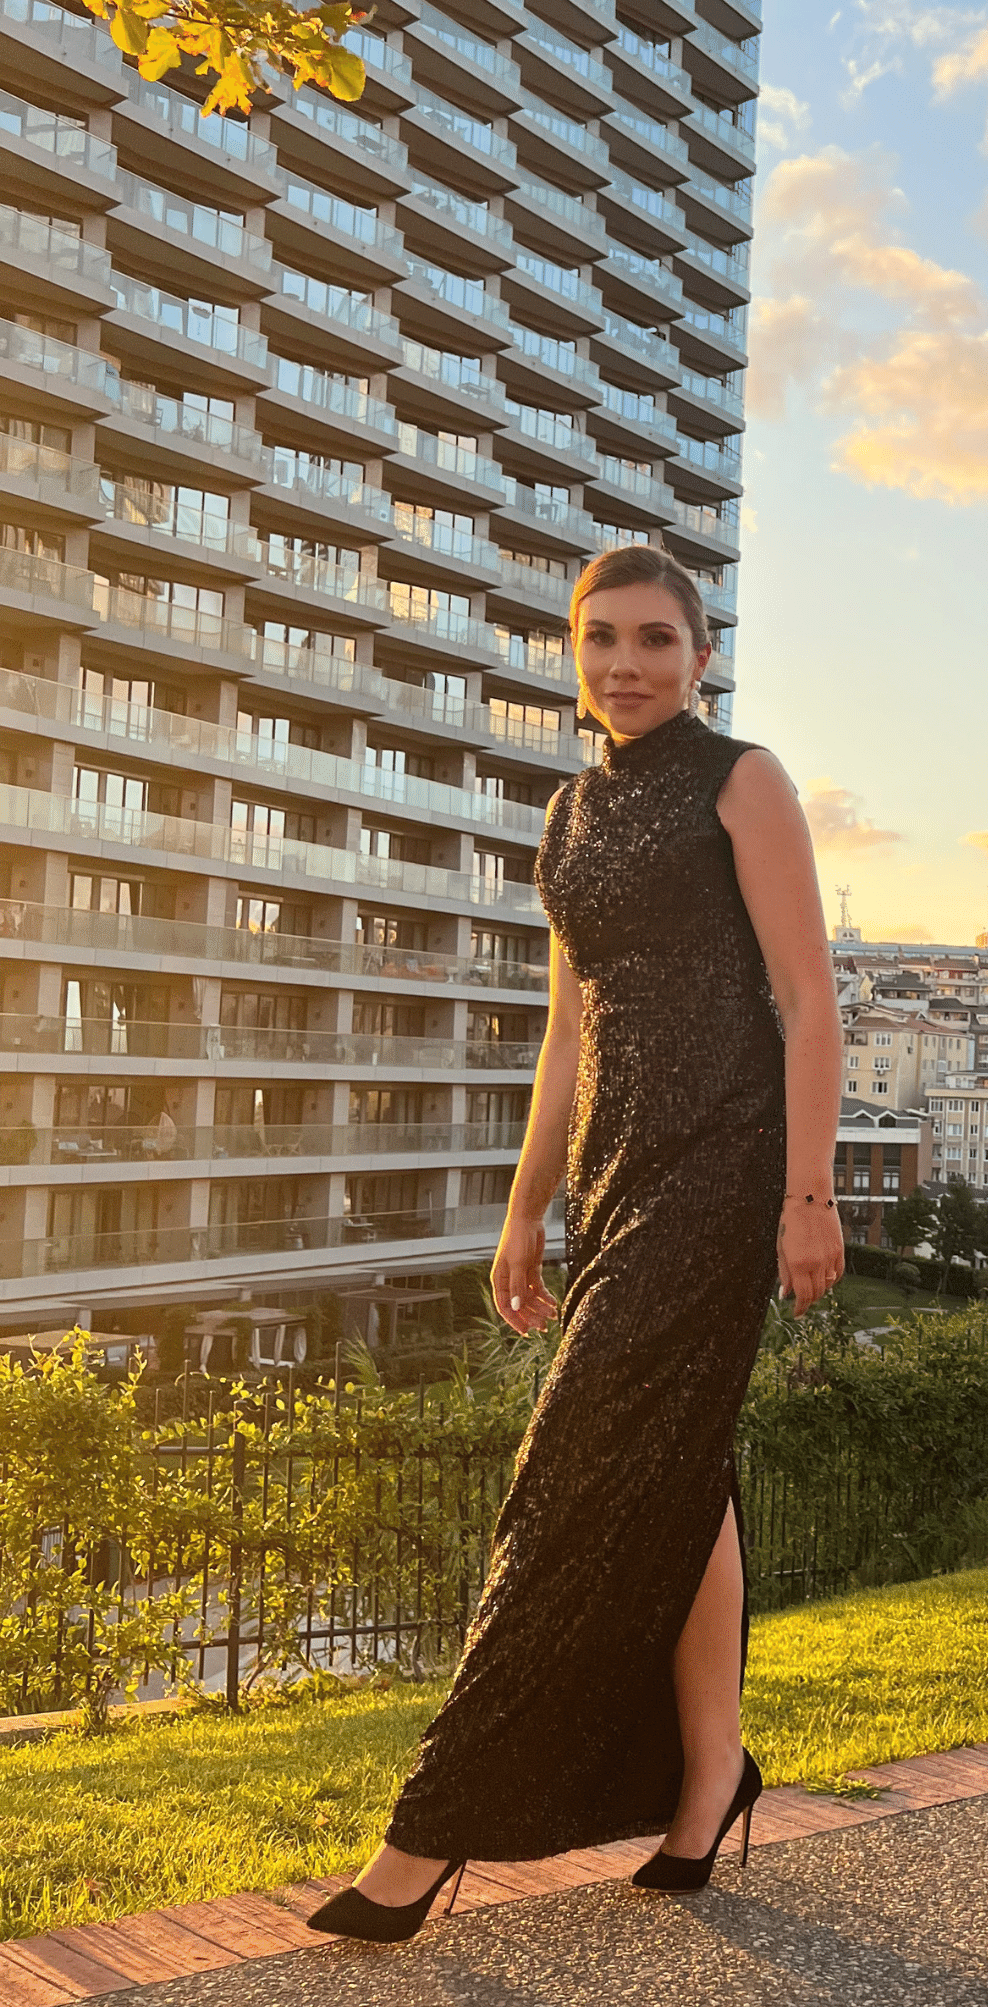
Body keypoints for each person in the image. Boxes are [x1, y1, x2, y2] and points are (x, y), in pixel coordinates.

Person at [309, 544, 844, 1943]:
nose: (628, 664)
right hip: (612, 1181)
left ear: (703, 650)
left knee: (563, 1489)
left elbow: (809, 996)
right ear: (575, 650)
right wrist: (525, 1199)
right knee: (682, 1467)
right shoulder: (570, 809)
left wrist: (807, 1192)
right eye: (602, 639)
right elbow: (570, 1027)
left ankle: (428, 1835)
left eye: (657, 639)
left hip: (723, 1176)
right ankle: (713, 1775)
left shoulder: (747, 779)